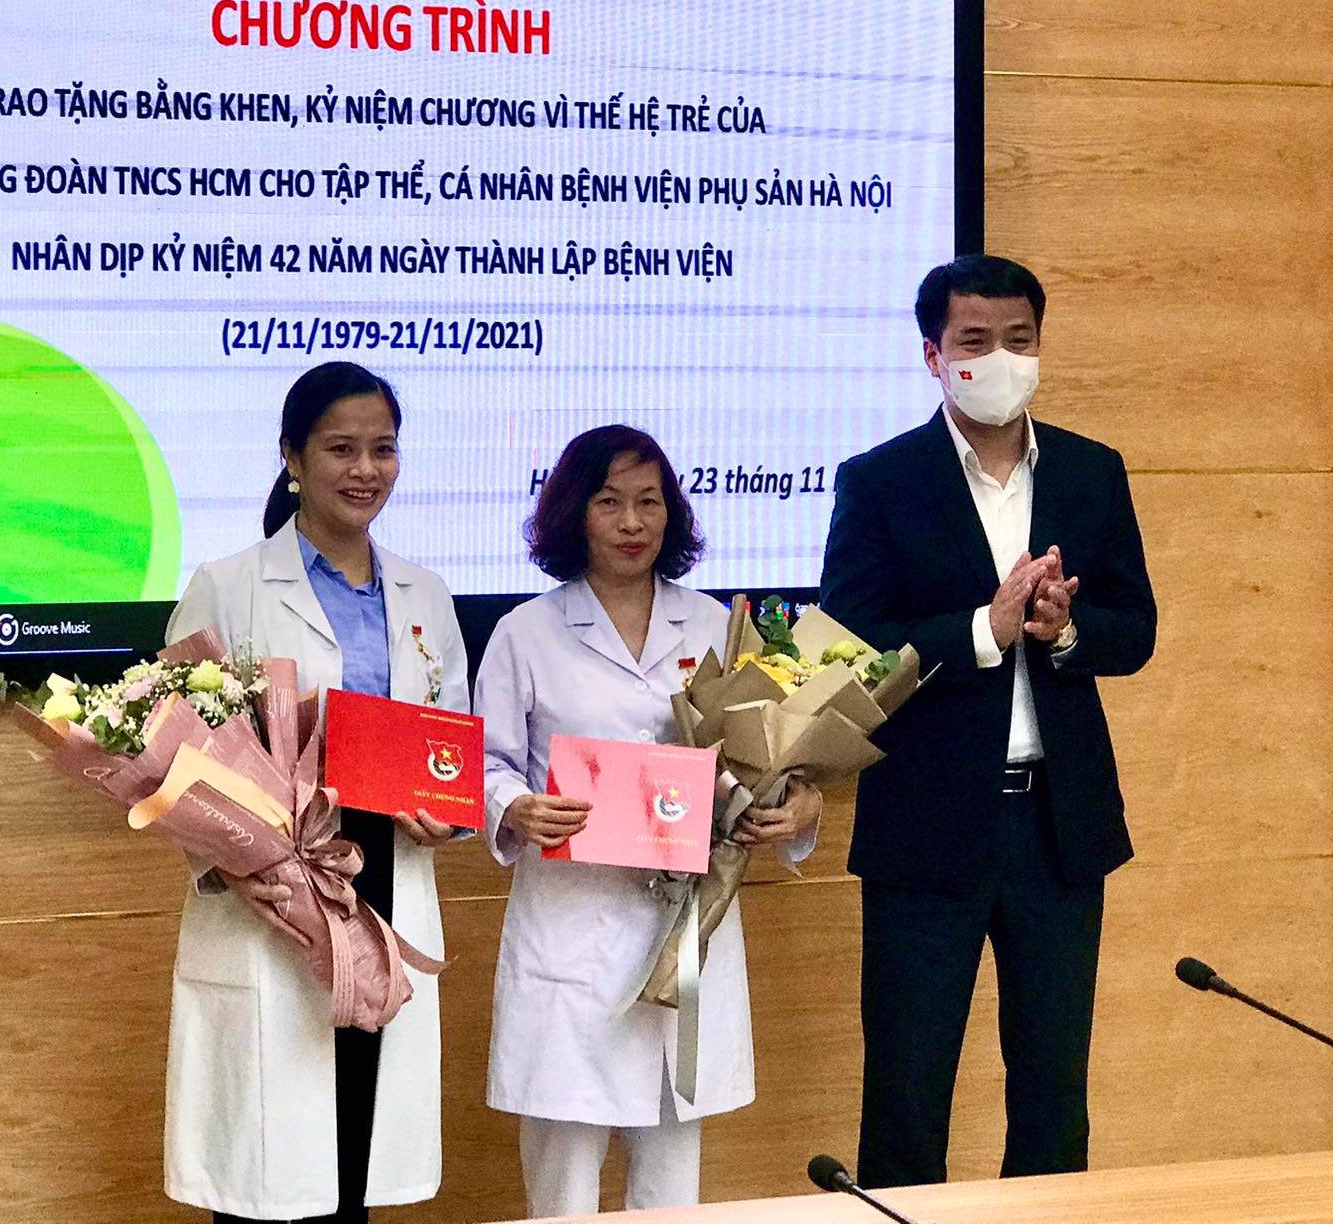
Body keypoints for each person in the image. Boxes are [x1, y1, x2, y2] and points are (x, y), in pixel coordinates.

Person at [820, 254, 1156, 1187]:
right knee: (907, 1093)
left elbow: (1136, 629)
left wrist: (1065, 630)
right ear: (933, 354)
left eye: (1020, 339)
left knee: (1054, 1095)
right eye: (976, 341)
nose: (1001, 359)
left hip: (1058, 826)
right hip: (926, 831)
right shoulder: (881, 481)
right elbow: (849, 644)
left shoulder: (1091, 471)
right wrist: (983, 631)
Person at [476, 425, 823, 1217]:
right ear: (574, 513)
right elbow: (487, 764)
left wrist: (797, 806)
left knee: (670, 1188)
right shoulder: (525, 632)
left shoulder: (716, 628)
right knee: (563, 1183)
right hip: (574, 927)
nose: (632, 522)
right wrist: (515, 807)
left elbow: (772, 756)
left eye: (649, 501)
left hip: (685, 930)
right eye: (609, 502)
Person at [161, 362, 469, 1224]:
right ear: (292, 458)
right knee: (270, 1167)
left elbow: (452, 747)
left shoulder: (425, 594)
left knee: (356, 1156)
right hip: (272, 897)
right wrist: (235, 864)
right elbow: (173, 755)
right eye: (341, 449)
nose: (365, 470)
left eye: (383, 449)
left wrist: (447, 817)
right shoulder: (228, 584)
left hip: (389, 879)